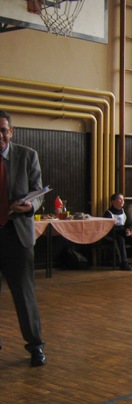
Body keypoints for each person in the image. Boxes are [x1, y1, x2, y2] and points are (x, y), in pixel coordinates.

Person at [0, 110, 46, 367]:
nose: (0, 136)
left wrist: (30, 206)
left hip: (17, 235)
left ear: (11, 131)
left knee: (24, 295)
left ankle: (36, 346)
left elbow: (38, 192)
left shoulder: (28, 156)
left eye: (3, 130)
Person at [104, 193, 132, 270]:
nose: (122, 201)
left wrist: (131, 231)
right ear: (113, 201)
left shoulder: (125, 212)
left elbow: (130, 224)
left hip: (125, 232)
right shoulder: (108, 213)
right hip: (115, 234)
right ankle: (124, 263)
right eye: (120, 199)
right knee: (120, 239)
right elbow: (108, 228)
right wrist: (124, 231)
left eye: (123, 199)